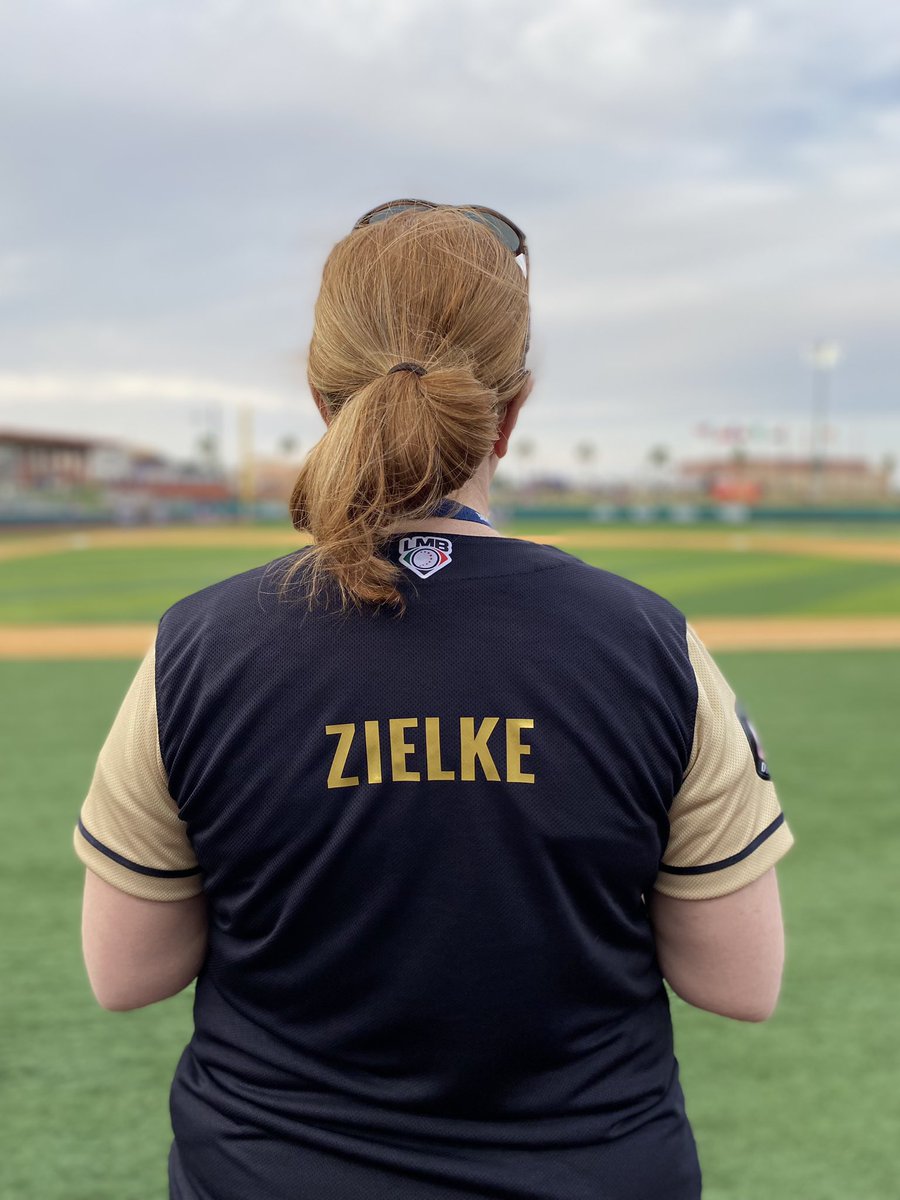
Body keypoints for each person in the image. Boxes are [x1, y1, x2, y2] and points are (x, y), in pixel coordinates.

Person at [75, 200, 793, 1200]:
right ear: (514, 409)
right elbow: (738, 983)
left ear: (325, 402)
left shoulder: (194, 647)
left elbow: (127, 975)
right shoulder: (653, 643)